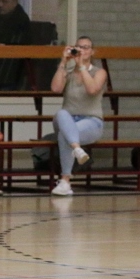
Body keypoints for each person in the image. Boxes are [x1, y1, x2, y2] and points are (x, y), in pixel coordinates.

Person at [49, 36, 107, 196]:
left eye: (86, 47)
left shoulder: (99, 72)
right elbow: (55, 89)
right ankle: (77, 149)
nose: (82, 50)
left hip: (91, 121)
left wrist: (81, 66)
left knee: (64, 135)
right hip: (68, 119)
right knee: (61, 114)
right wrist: (63, 61)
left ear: (92, 51)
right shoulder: (68, 73)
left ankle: (65, 181)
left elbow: (92, 89)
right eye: (79, 47)